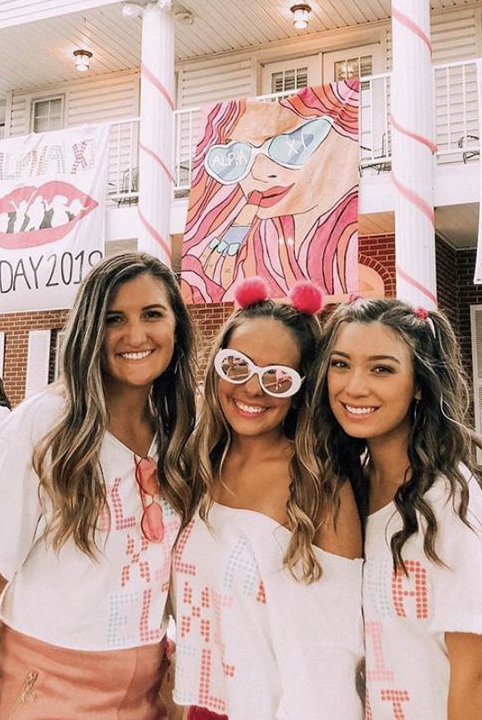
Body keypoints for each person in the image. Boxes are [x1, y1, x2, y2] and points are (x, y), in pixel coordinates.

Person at [0, 252, 197, 719]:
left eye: (153, 314)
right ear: (87, 331)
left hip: (149, 697)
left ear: (177, 327)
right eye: (113, 318)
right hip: (45, 695)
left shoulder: (179, 431)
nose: (135, 334)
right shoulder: (40, 429)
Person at [314, 298, 482, 720]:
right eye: (340, 364)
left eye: (381, 368)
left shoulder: (449, 502)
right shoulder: (351, 487)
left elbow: (476, 674)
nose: (354, 386)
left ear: (420, 384)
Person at [171, 276, 364, 719]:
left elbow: (329, 663)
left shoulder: (319, 488)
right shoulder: (196, 467)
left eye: (277, 378)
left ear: (300, 391)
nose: (253, 389)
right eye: (237, 366)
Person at [180, 82, 360, 302]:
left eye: (292, 146)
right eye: (238, 155)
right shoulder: (253, 245)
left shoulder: (343, 239)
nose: (260, 175)